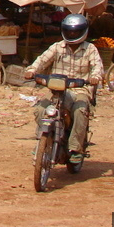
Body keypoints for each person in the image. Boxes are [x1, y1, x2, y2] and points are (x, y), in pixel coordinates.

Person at [24, 13, 103, 165]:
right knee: (40, 109)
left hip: (80, 89)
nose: (72, 34)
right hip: (56, 88)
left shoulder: (90, 49)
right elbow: (42, 60)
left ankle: (75, 149)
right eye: (69, 31)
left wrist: (95, 77)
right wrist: (32, 70)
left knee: (80, 111)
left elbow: (97, 67)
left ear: (83, 31)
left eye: (75, 31)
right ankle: (43, 140)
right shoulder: (57, 47)